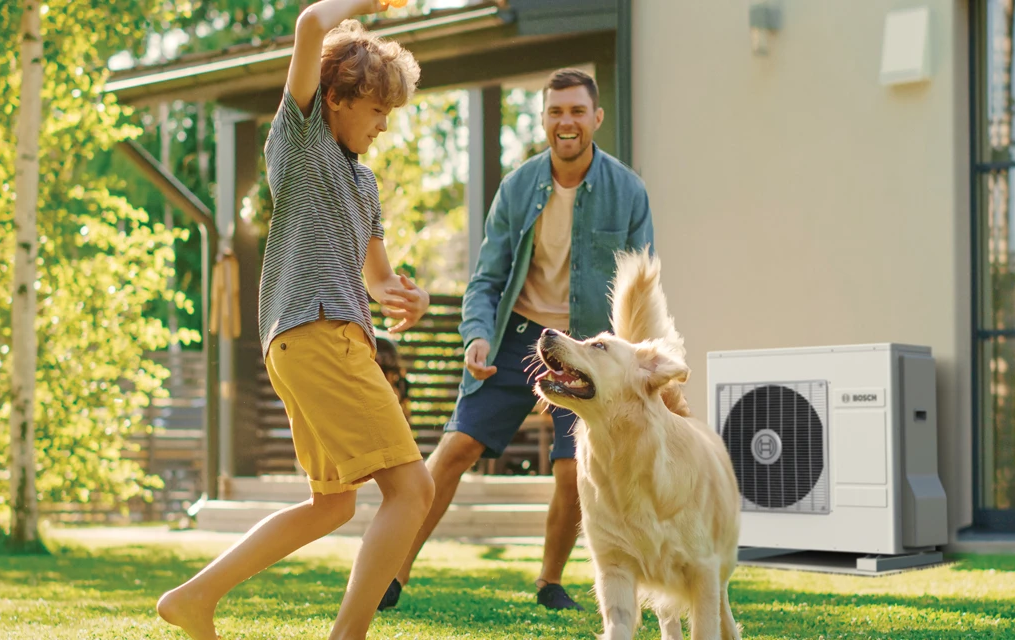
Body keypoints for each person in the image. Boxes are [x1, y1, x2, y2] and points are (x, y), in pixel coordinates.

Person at [155, 2, 433, 638]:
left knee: (332, 505)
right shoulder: (301, 144)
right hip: (318, 333)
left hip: (319, 339)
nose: (384, 126)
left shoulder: (363, 185)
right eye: (377, 111)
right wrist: (365, 6)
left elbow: (379, 277)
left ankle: (195, 599)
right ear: (336, 97)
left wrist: (405, 298)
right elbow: (311, 24)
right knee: (412, 491)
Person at [382, 68, 655, 612]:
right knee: (456, 449)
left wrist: (633, 363)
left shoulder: (628, 192)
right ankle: (392, 572)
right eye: (556, 112)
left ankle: (549, 582)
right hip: (518, 335)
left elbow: (640, 292)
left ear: (596, 118)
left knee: (575, 469)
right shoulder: (518, 187)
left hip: (585, 349)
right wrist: (477, 336)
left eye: (577, 111)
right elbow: (485, 279)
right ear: (545, 120)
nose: (567, 122)